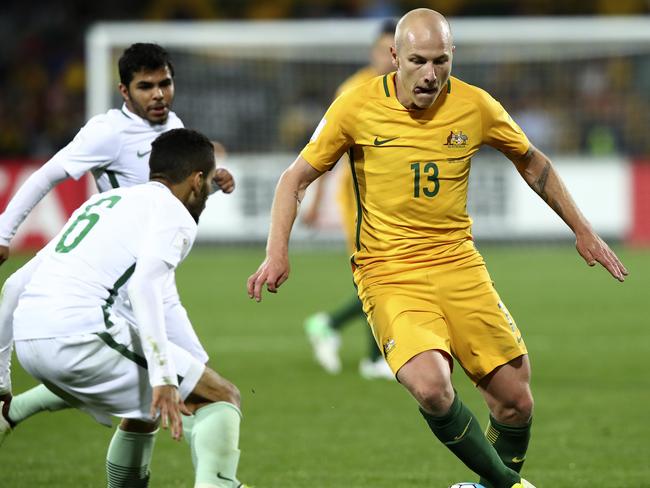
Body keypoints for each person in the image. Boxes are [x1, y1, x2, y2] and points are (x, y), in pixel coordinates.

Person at [247, 8, 628, 488]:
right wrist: (277, 251)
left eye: (441, 61)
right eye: (418, 60)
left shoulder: (475, 105)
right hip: (389, 270)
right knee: (431, 387)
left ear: (453, 57)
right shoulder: (355, 106)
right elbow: (294, 178)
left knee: (516, 400)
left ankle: (490, 486)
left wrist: (583, 229)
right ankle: (511, 487)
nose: (430, 74)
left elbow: (532, 162)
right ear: (393, 56)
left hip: (459, 264)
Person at [0, 43, 234, 485]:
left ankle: (19, 408)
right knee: (200, 390)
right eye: (146, 87)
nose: (158, 95)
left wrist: (214, 183)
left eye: (164, 83)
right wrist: (4, 231)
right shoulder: (106, 132)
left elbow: (180, 184)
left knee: (189, 380)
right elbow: (47, 174)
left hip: (150, 271)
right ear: (124, 91)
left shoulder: (174, 127)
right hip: (111, 275)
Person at [301, 19, 396, 380]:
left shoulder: (404, 88)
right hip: (360, 202)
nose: (390, 59)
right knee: (380, 273)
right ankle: (373, 357)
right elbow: (325, 152)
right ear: (374, 52)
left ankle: (330, 326)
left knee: (387, 274)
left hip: (391, 199)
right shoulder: (353, 91)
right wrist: (313, 203)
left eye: (395, 52)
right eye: (384, 51)